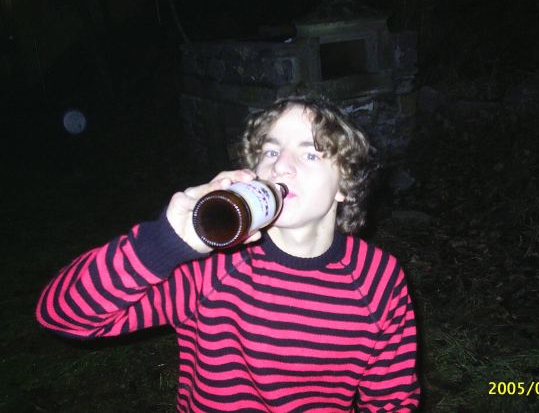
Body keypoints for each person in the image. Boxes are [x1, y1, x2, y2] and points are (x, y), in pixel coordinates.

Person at [37, 95, 420, 412]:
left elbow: (392, 401)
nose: (280, 166)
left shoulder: (378, 278)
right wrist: (164, 242)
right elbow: (64, 316)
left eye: (310, 154)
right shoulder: (212, 265)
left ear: (345, 186)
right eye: (271, 151)